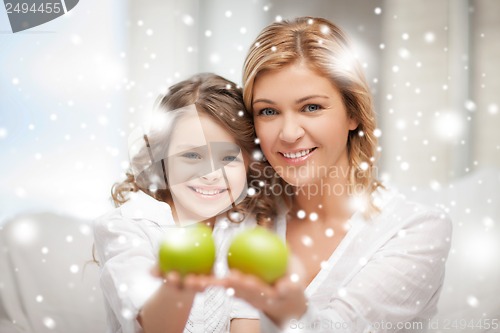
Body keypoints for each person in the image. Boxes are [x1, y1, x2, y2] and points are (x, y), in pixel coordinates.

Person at [214, 17, 453, 332]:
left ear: (353, 112)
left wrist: (285, 309)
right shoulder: (235, 217)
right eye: (268, 111)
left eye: (311, 107)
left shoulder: (415, 231)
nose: (288, 133)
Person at [93, 73, 272, 333]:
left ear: (248, 163)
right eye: (191, 154)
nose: (210, 174)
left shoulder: (245, 228)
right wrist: (184, 283)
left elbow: (246, 323)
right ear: (161, 157)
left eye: (228, 158)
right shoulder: (126, 226)